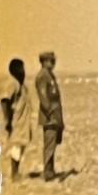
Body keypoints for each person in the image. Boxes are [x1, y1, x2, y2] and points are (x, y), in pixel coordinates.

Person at [0, 58, 32, 181]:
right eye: (21, 69)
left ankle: (16, 171)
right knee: (16, 147)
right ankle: (14, 173)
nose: (23, 71)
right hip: (16, 122)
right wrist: (7, 119)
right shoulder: (13, 84)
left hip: (23, 122)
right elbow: (4, 100)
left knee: (21, 146)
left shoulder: (22, 86)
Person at [34, 51, 64, 180]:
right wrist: (51, 113)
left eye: (53, 61)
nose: (53, 63)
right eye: (51, 61)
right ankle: (47, 172)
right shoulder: (42, 76)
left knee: (53, 143)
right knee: (49, 144)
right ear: (44, 62)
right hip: (49, 117)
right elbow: (43, 97)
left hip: (55, 115)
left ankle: (50, 170)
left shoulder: (49, 75)